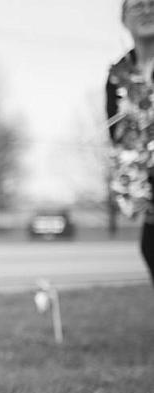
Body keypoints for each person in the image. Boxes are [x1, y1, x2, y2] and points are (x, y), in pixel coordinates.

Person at [108, 0, 154, 284]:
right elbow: (116, 137)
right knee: (150, 248)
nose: (146, 10)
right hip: (148, 192)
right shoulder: (118, 74)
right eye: (136, 5)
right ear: (124, 19)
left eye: (152, 4)